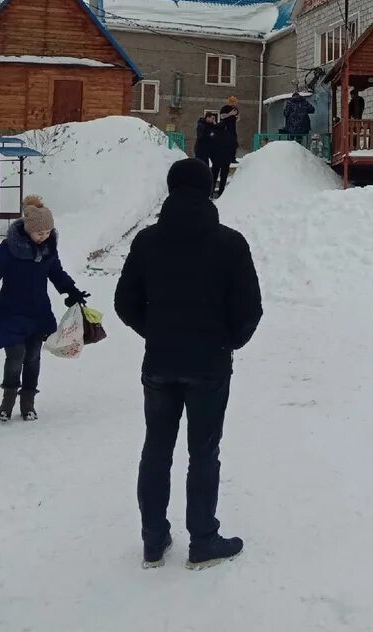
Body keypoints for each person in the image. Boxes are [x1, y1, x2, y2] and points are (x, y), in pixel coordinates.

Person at [114, 158, 262, 571]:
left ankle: (153, 541)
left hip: (160, 362)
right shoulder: (230, 244)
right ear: (207, 191)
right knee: (204, 452)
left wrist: (156, 332)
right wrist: (225, 343)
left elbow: (124, 303)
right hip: (209, 366)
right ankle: (202, 540)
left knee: (156, 451)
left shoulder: (147, 242)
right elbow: (250, 310)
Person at [0, 195, 90, 422]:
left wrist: (72, 291)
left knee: (33, 356)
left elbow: (57, 274)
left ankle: (28, 403)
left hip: (37, 313)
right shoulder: (9, 249)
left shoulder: (47, 250)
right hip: (10, 312)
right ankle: (7, 401)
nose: (43, 237)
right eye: (39, 233)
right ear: (28, 229)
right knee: (16, 355)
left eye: (47, 233)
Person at [219, 98, 240, 167]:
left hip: (233, 129)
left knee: (233, 144)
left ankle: (232, 158)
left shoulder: (236, 108)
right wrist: (230, 114)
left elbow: (238, 119)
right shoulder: (225, 108)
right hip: (226, 128)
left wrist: (237, 115)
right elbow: (222, 116)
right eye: (234, 102)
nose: (234, 104)